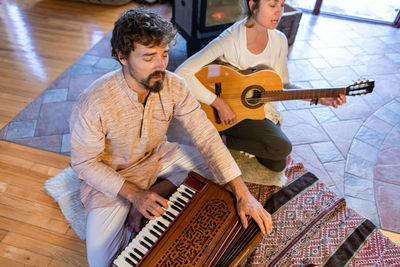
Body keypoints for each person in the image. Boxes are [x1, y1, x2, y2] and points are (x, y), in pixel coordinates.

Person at [69, 8, 272, 267]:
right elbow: (84, 164)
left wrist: (243, 194)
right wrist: (134, 195)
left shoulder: (174, 85)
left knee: (218, 166)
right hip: (115, 175)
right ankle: (147, 195)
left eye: (164, 54)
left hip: (157, 158)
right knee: (103, 262)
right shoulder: (93, 102)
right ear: (121, 56)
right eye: (148, 57)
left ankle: (158, 189)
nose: (160, 66)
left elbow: (206, 137)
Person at [176, 0, 346, 174]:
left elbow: (284, 86)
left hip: (258, 110)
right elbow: (182, 72)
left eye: (282, 5)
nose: (279, 12)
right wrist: (218, 103)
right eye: (272, 5)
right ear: (253, 5)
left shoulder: (279, 40)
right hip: (228, 113)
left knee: (277, 163)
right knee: (283, 146)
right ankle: (223, 136)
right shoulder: (231, 39)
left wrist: (319, 97)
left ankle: (225, 140)